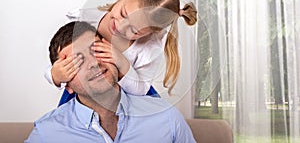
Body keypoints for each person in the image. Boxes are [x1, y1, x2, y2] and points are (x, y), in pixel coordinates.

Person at [44, 0, 197, 105]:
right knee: (65, 121)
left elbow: (141, 89)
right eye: (124, 14)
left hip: (131, 98)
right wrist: (55, 76)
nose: (120, 26)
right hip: (90, 89)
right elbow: (64, 56)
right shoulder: (86, 20)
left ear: (150, 33)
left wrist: (122, 63)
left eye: (134, 30)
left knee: (154, 121)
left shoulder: (148, 47)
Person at [25, 21, 196, 143]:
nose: (94, 63)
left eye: (97, 50)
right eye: (77, 61)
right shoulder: (46, 133)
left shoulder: (166, 117)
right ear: (66, 84)